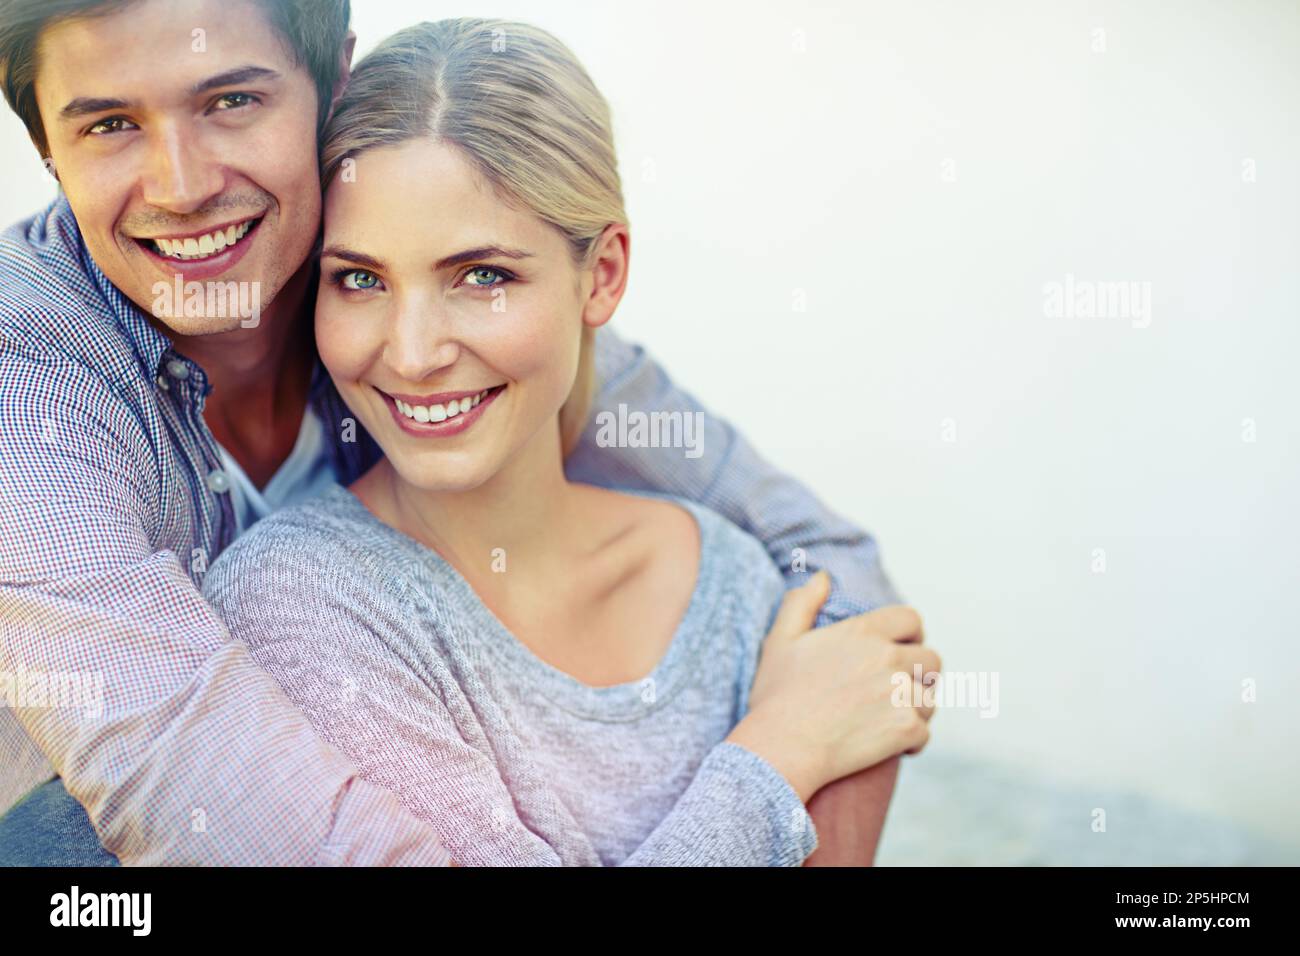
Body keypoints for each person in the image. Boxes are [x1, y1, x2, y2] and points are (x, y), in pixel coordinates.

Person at [0, 0, 908, 865]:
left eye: (232, 100)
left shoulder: (411, 266)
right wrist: (776, 762)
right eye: (108, 124)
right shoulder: (27, 397)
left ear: (333, 85)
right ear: (46, 147)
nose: (185, 186)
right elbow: (193, 776)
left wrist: (819, 744)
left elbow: (840, 584)